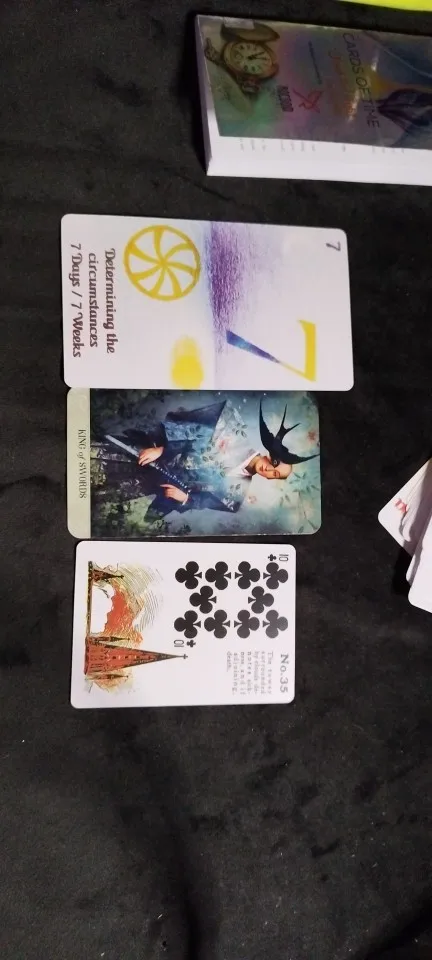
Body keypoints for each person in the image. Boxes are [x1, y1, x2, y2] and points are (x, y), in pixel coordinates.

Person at [92, 397, 318, 520]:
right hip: (148, 453)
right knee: (98, 454)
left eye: (275, 475)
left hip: (152, 483)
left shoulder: (235, 496)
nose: (269, 471)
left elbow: (201, 501)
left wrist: (185, 498)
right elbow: (194, 429)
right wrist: (162, 449)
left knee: (99, 489)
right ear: (271, 455)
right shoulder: (232, 430)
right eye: (275, 465)